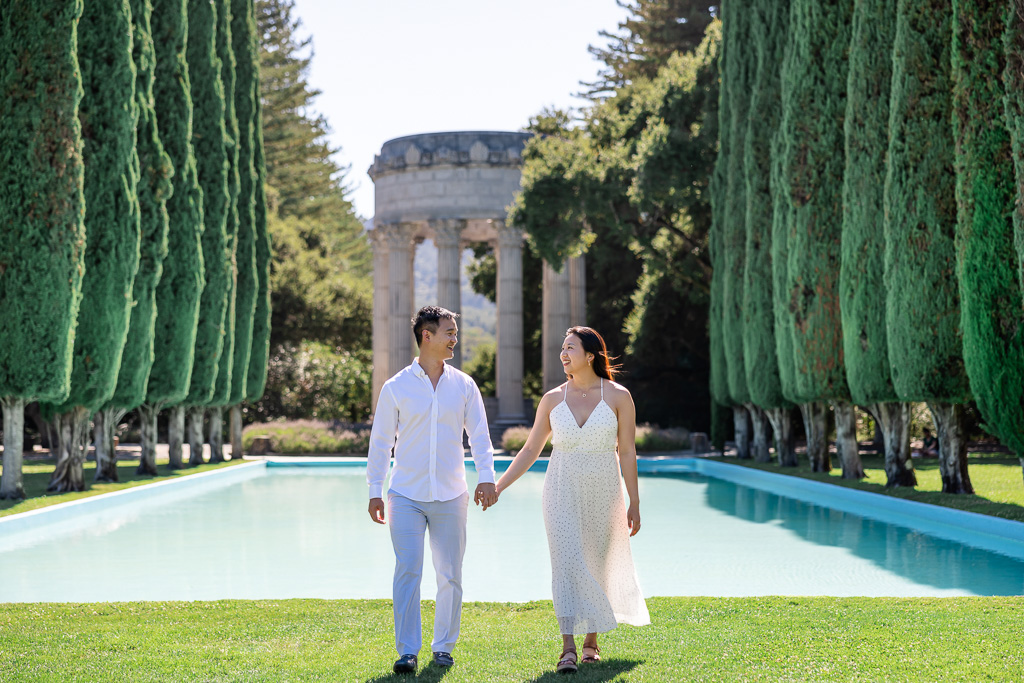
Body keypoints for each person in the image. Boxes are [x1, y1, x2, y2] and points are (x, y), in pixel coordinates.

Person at [492, 325, 650, 673]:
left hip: (605, 490)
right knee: (564, 563)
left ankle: (592, 642)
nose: (563, 354)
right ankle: (567, 648)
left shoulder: (619, 396)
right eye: (562, 349)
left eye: (570, 348)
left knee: (597, 562)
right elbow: (531, 448)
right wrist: (500, 485)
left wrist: (634, 502)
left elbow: (626, 451)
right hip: (560, 489)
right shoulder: (551, 399)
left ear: (590, 355)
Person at [366, 305, 498, 674]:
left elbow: (480, 436)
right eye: (449, 332)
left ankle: (443, 648)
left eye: (455, 332)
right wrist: (375, 489)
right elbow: (380, 444)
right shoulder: (396, 387)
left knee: (450, 573)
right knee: (408, 570)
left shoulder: (464, 385)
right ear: (427, 335)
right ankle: (407, 651)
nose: (455, 338)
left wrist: (486, 476)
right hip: (405, 495)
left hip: (452, 495)